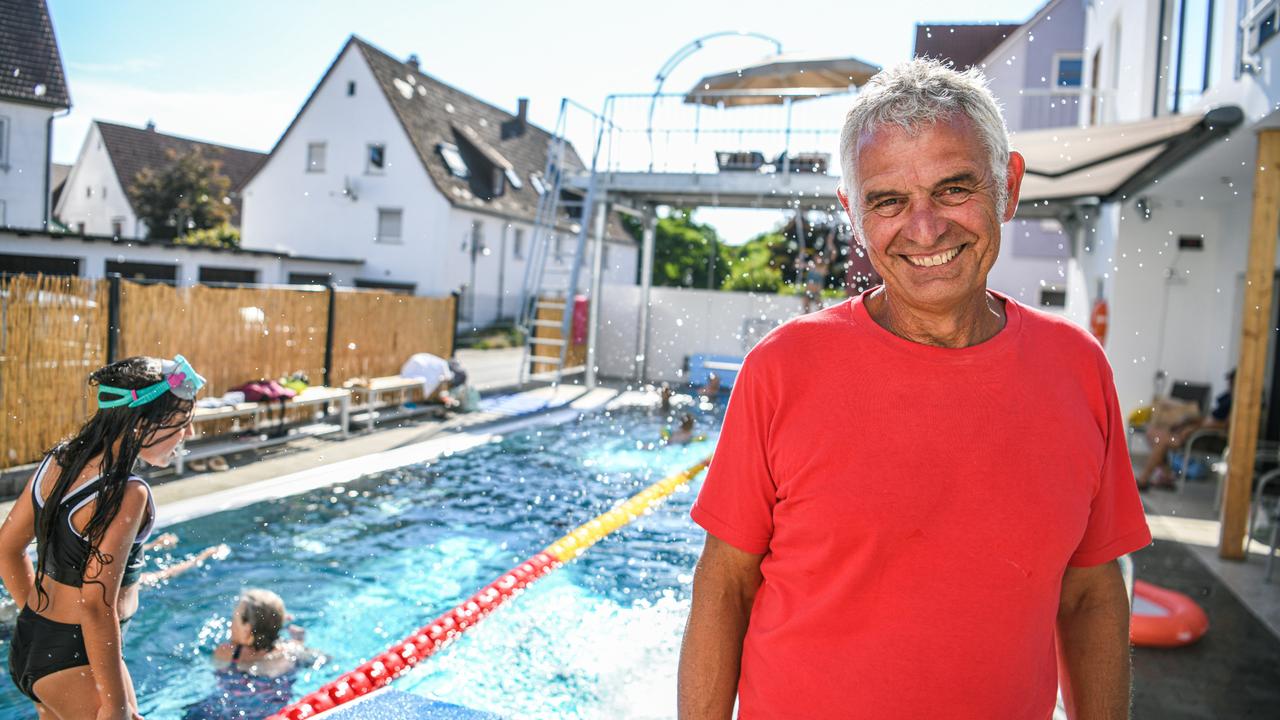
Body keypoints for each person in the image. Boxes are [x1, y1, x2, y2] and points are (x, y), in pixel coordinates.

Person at [678, 59, 1151, 720]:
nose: (925, 229)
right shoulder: (782, 369)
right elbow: (725, 586)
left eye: (954, 189)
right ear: (854, 214)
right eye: (888, 201)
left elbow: (1090, 594)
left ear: (1008, 186)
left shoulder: (1078, 370)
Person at [0, 355, 205, 719]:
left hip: (30, 639)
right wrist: (115, 705)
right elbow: (95, 604)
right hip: (75, 658)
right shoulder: (126, 493)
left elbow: (7, 548)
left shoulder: (59, 460)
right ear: (143, 424)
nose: (188, 434)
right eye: (182, 423)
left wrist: (38, 619)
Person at [183, 589, 323, 720]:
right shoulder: (291, 652)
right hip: (274, 714)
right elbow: (321, 659)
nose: (231, 624)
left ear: (247, 630)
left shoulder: (228, 653)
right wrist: (298, 642)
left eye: (234, 619)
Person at [1137, 369, 1234, 490]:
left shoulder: (1237, 404)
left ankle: (1144, 479)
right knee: (1152, 432)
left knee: (1161, 440)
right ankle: (1166, 476)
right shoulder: (1227, 398)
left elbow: (1223, 425)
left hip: (1205, 436)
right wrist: (1188, 422)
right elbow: (1210, 418)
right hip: (1197, 430)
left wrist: (1193, 428)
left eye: (1231, 381)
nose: (1229, 384)